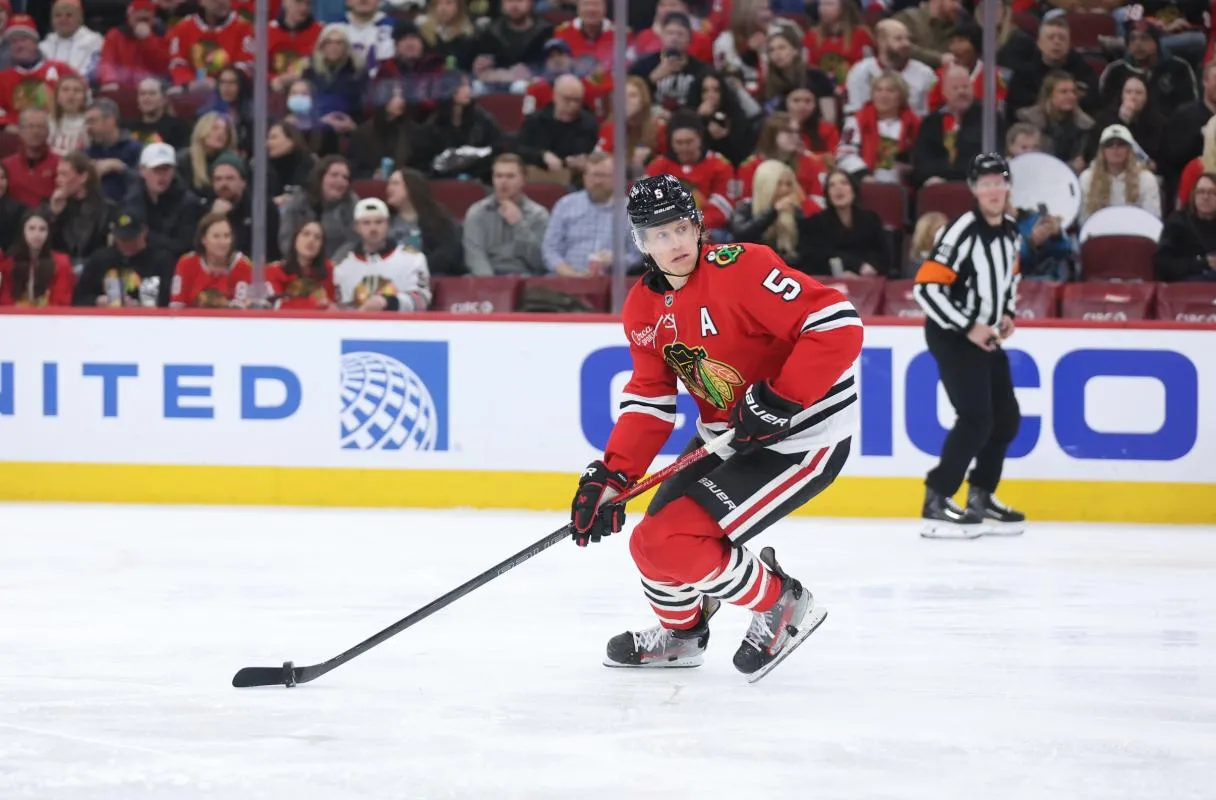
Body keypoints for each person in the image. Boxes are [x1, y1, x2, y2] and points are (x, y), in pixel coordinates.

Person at [568, 173, 862, 680]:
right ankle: (682, 636)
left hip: (801, 436)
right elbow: (650, 401)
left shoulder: (742, 267)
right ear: (641, 241)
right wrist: (611, 476)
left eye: (682, 227)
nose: (676, 242)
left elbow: (837, 325)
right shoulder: (642, 307)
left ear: (699, 226)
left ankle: (782, 603)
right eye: (660, 234)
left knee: (672, 542)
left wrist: (779, 398)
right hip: (729, 436)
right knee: (649, 546)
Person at [912, 153, 1026, 539]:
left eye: (1000, 181)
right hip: (952, 335)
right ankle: (937, 497)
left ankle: (981, 495)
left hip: (986, 334)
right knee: (976, 417)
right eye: (986, 183)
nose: (994, 190)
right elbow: (926, 288)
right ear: (975, 189)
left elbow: (1010, 276)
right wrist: (968, 326)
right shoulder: (960, 231)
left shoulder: (1011, 230)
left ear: (1008, 186)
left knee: (1006, 418)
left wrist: (1006, 312)